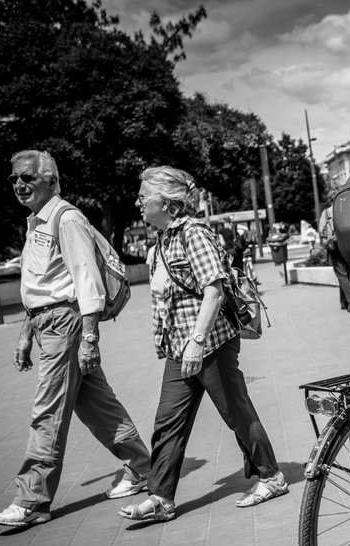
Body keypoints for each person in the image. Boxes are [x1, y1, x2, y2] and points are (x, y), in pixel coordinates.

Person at [0, 150, 150, 528]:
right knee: (98, 405)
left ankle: (32, 500)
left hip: (66, 325)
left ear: (51, 180)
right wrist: (25, 334)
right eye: (14, 179)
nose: (19, 185)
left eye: (27, 177)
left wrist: (90, 336)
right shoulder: (36, 223)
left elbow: (86, 280)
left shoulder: (67, 218)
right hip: (48, 324)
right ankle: (145, 466)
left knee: (47, 410)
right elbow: (39, 286)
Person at [119, 166, 288, 522]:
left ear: (166, 202)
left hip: (209, 342)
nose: (137, 201)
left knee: (235, 411)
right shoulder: (164, 238)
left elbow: (213, 288)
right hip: (181, 347)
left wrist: (197, 342)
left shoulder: (192, 232)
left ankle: (271, 476)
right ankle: (161, 497)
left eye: (142, 195)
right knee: (168, 422)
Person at [318, 201, 350, 313]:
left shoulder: (326, 213)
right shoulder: (344, 211)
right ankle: (344, 302)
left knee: (341, 275)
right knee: (346, 274)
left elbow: (321, 231)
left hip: (333, 247)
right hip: (346, 245)